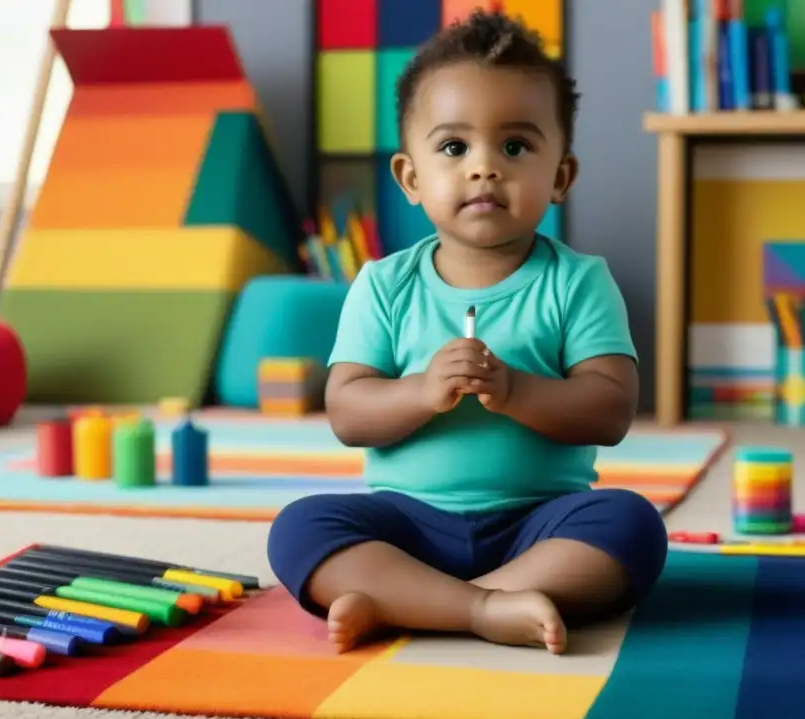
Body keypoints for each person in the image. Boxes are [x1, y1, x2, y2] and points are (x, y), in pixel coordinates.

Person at [267, 10, 666, 655]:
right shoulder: (383, 284)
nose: (485, 168)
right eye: (454, 148)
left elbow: (610, 409)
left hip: (539, 523)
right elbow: (347, 410)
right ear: (412, 177)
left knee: (632, 524)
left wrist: (515, 391)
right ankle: (485, 608)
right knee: (299, 527)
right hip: (407, 524)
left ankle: (419, 604)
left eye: (515, 147)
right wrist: (422, 391)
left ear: (560, 175)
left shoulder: (579, 281)